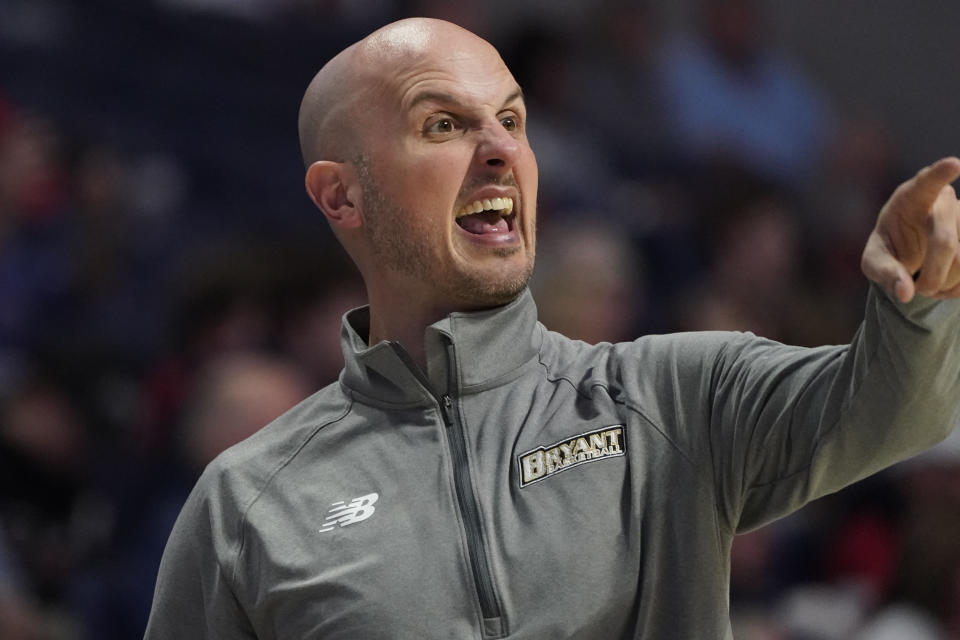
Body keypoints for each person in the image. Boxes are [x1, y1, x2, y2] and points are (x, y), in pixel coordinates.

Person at [144, 17, 960, 640]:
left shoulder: (670, 397)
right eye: (443, 125)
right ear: (340, 196)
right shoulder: (247, 505)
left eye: (512, 119)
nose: (501, 149)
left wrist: (920, 299)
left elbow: (896, 407)